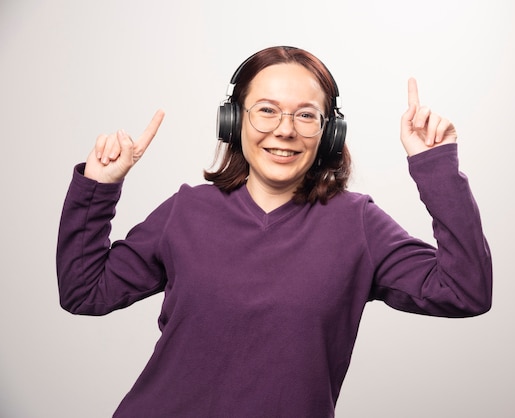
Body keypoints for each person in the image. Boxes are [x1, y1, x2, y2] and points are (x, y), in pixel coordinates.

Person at [56, 45, 492, 417]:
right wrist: (99, 186)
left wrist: (435, 166)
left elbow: (464, 291)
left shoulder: (357, 224)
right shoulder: (187, 210)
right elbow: (85, 291)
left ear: (329, 132)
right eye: (266, 110)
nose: (284, 129)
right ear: (233, 121)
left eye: (306, 115)